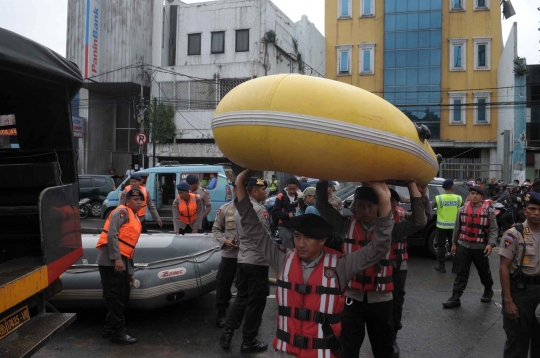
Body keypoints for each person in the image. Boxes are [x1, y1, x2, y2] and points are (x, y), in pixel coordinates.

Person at [234, 168, 394, 357]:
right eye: (297, 236)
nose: (300, 244)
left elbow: (379, 247)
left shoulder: (340, 266)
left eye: (308, 238)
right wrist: (240, 182)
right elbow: (253, 228)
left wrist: (384, 200)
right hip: (287, 352)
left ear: (322, 241)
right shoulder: (282, 259)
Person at [316, 180, 428, 358]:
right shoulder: (345, 226)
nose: (366, 211)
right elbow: (321, 204)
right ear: (355, 207)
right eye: (361, 206)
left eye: (370, 206)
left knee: (383, 349)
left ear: (379, 206)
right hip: (351, 298)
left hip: (381, 300)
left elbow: (420, 222)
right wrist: (323, 179)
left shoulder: (389, 230)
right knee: (348, 349)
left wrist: (413, 186)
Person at [220, 177, 270, 354]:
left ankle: (228, 333)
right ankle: (248, 341)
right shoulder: (258, 209)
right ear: (254, 192)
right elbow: (264, 236)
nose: (266, 192)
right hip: (257, 261)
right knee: (255, 303)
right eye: (263, 189)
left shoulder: (240, 209)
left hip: (242, 259)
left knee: (241, 298)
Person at [95, 189, 143, 345]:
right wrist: (116, 259)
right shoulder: (122, 212)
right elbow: (112, 235)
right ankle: (117, 333)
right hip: (110, 262)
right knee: (115, 298)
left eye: (140, 200)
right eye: (135, 199)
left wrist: (130, 272)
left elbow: (128, 249)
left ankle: (110, 328)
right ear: (127, 201)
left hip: (121, 262)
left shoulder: (135, 218)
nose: (139, 202)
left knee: (122, 297)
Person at [388, 187, 431, 357]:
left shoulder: (402, 215)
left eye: (393, 200)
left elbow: (424, 219)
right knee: (379, 304)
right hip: (377, 265)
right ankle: (381, 335)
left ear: (397, 203)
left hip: (398, 264)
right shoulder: (372, 217)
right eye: (386, 199)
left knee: (397, 300)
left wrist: (423, 197)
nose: (390, 203)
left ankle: (393, 338)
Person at [499, 191, 540, 357]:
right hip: (520, 293)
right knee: (517, 343)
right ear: (525, 211)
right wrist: (508, 301)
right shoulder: (514, 234)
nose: (537, 213)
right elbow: (503, 267)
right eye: (533, 209)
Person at [443, 186, 497, 309]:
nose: (474, 196)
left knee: (484, 272)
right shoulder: (462, 210)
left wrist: (490, 244)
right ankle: (455, 298)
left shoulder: (489, 211)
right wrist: (454, 243)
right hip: (464, 246)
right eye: (472, 193)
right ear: (469, 195)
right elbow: (457, 228)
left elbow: (494, 230)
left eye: (477, 194)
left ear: (481, 197)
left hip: (480, 247)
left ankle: (488, 290)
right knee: (461, 272)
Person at [212, 183, 239, 328]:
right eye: (237, 188)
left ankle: (242, 313)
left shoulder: (254, 209)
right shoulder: (225, 209)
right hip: (229, 255)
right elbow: (216, 229)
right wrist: (225, 241)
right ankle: (221, 313)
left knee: (246, 286)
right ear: (234, 190)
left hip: (248, 255)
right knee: (223, 284)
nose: (239, 191)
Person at [434, 179, 463, 274]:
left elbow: (429, 207)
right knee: (454, 247)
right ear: (452, 187)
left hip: (441, 227)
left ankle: (441, 267)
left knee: (441, 246)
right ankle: (455, 267)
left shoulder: (438, 198)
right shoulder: (459, 198)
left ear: (443, 188)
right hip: (455, 227)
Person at [272, 177, 299, 248]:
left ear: (297, 188)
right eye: (290, 189)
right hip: (284, 226)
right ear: (286, 186)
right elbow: (275, 212)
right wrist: (287, 215)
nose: (292, 191)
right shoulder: (281, 196)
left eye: (294, 189)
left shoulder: (299, 197)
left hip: (296, 226)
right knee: (288, 248)